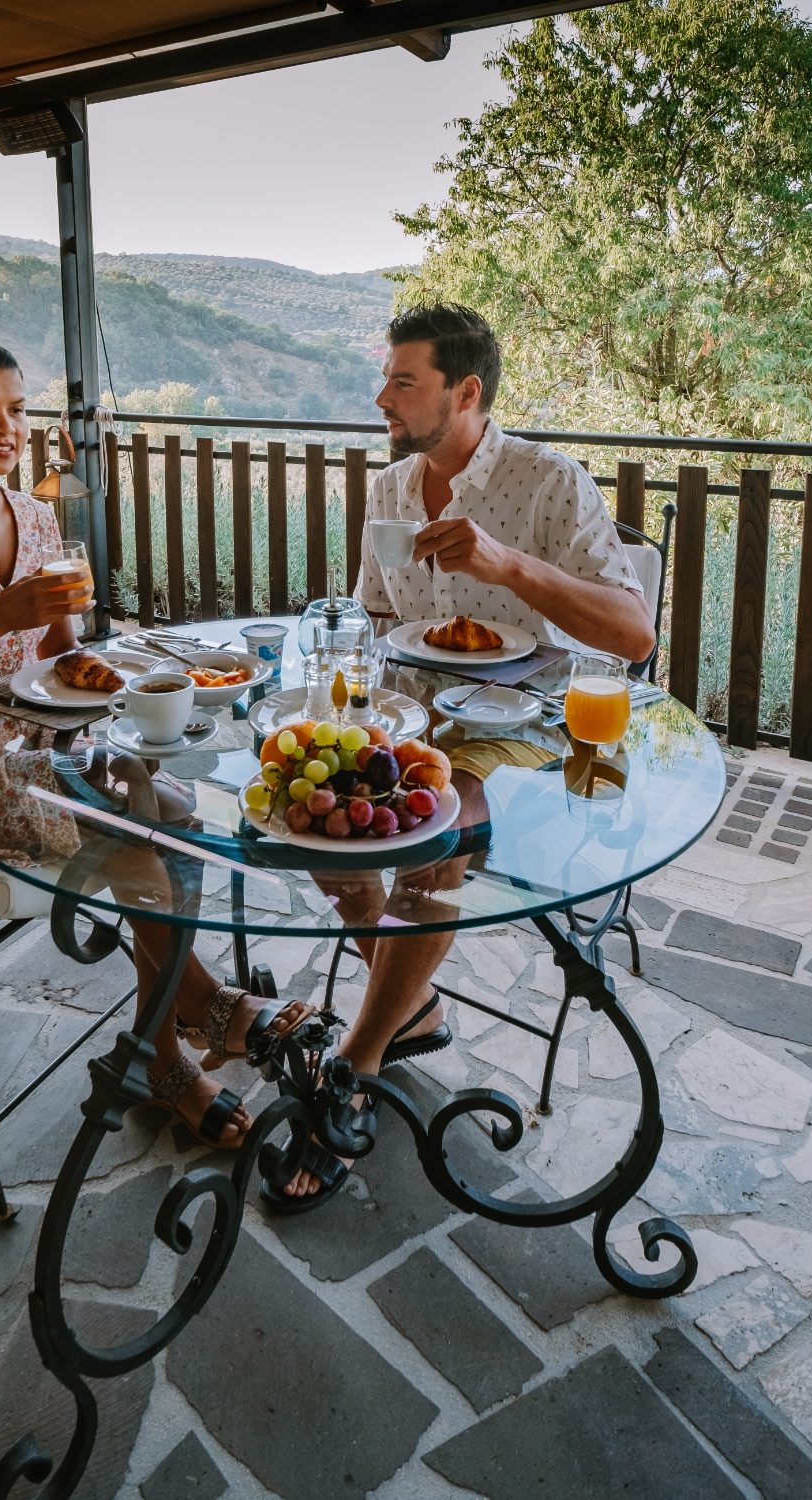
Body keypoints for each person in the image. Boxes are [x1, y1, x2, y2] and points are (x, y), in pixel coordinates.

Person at [0, 337, 307, 1153]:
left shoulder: (34, 515)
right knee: (150, 830)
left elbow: (63, 661)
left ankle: (173, 1032)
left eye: (17, 409)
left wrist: (102, 662)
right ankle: (180, 1037)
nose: (5, 425)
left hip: (33, 751)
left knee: (170, 808)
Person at [270, 303, 654, 1207]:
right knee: (311, 804)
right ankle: (416, 1006)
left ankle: (355, 1067)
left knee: (442, 821)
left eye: (403, 380)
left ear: (466, 390)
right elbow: (372, 616)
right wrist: (347, 705)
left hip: (525, 724)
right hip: (409, 712)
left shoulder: (548, 482)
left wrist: (509, 566)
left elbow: (634, 637)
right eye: (388, 379)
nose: (383, 397)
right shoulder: (393, 489)